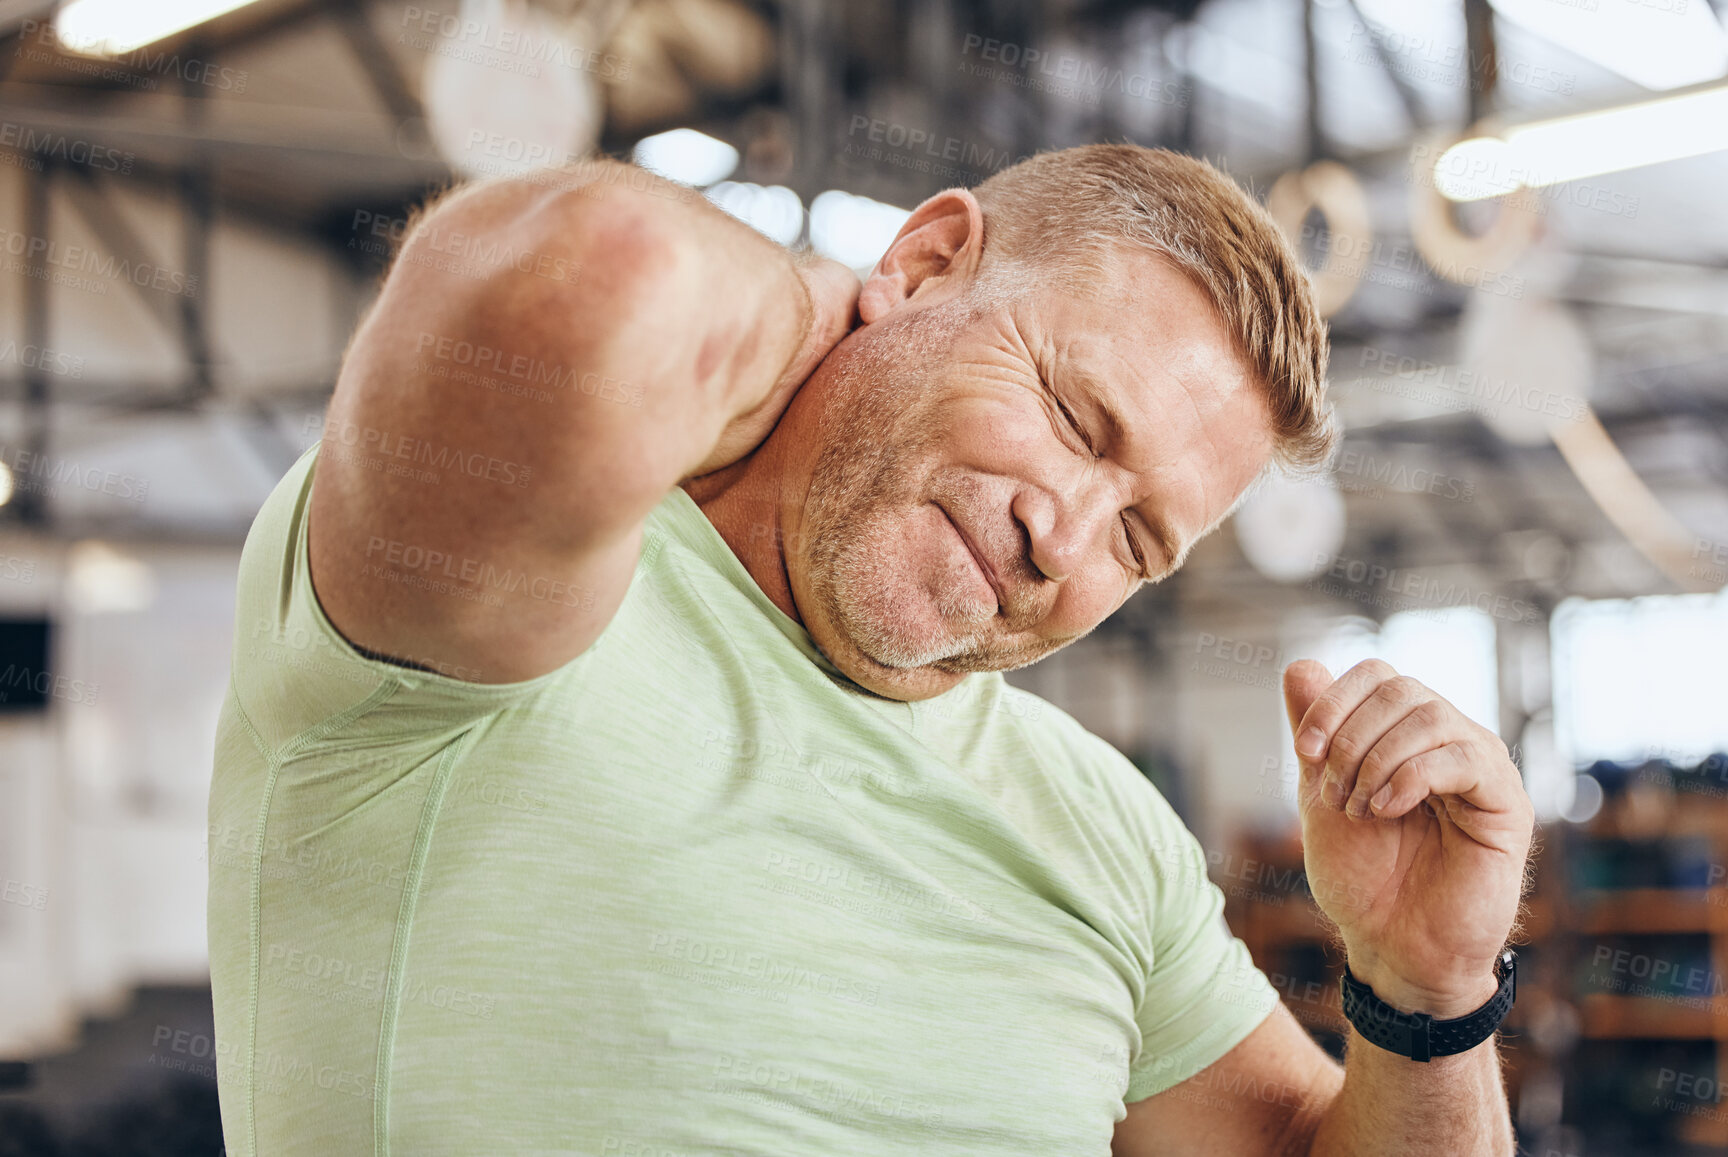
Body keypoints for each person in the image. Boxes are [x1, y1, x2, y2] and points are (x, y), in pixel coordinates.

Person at [208, 144, 1535, 1155]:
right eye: (1075, 417)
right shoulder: (505, 602)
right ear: (923, 259)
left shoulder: (1105, 827)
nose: (1061, 538)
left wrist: (1427, 987)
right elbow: (597, 271)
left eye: (1139, 541)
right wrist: (836, 325)